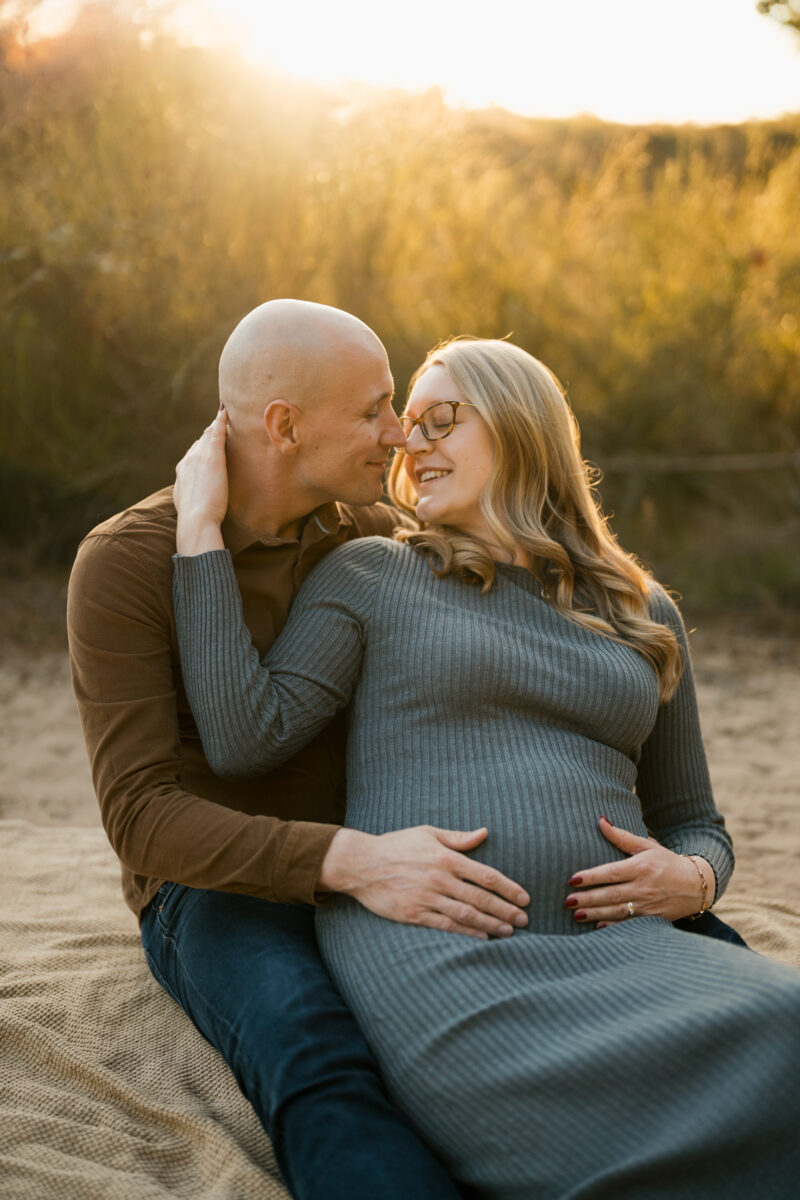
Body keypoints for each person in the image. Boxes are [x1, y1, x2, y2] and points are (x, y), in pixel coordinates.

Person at [172, 335, 800, 1200]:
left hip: (623, 948)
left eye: (440, 420)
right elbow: (246, 735)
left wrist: (692, 877)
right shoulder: (373, 574)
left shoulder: (641, 610)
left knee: (787, 1023)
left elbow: (696, 819)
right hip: (446, 955)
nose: (410, 442)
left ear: (520, 424)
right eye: (405, 425)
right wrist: (198, 531)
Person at [68, 300, 538, 1200]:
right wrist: (349, 862)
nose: (398, 433)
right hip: (219, 892)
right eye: (374, 410)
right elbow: (140, 818)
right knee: (314, 1050)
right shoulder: (125, 563)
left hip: (389, 856)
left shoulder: (367, 541)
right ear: (284, 426)